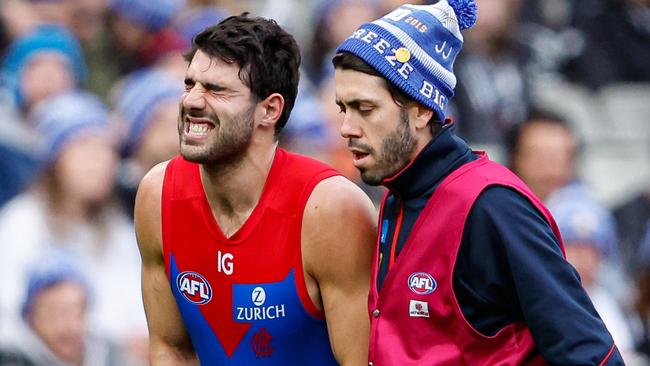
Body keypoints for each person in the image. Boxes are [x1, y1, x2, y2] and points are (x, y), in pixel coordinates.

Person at [332, 0, 623, 364]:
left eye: (366, 108)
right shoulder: (397, 197)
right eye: (344, 108)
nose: (347, 128)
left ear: (422, 109)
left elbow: (590, 354)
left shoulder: (492, 204)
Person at [134, 14, 376, 365]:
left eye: (216, 90)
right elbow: (171, 348)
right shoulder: (158, 194)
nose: (192, 101)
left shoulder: (331, 208)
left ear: (269, 109)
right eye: (190, 85)